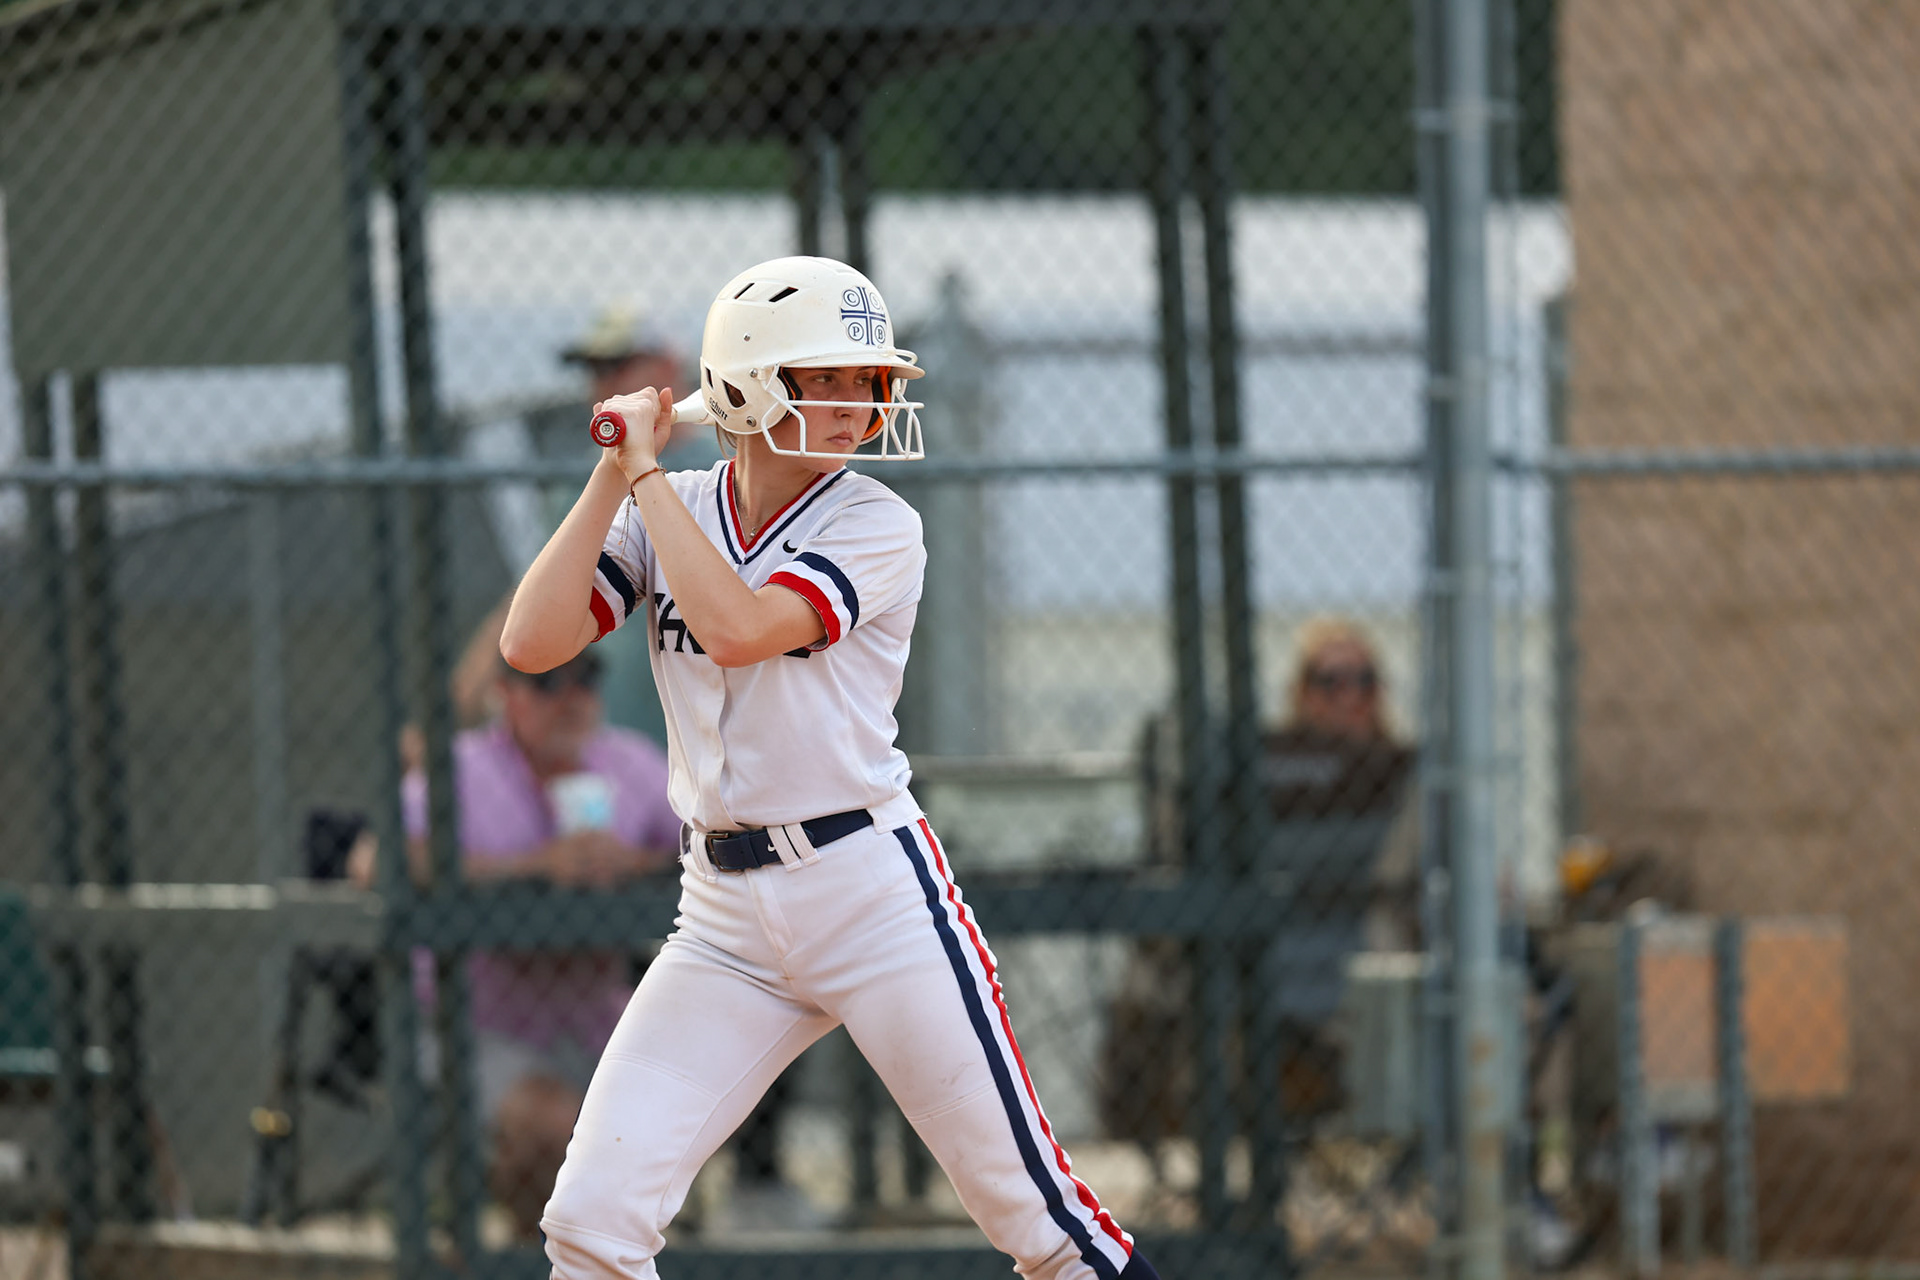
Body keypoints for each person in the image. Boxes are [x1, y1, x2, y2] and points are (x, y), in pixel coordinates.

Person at [502, 255, 1157, 1280]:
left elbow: (736, 627)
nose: (864, 402)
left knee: (1037, 1219)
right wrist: (611, 472)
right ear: (751, 382)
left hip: (867, 892)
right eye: (833, 377)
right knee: (590, 1221)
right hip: (721, 913)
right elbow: (532, 642)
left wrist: (642, 478)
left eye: (870, 379)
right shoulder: (667, 501)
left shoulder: (877, 521)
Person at [367, 640, 683, 1240]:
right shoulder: (458, 768)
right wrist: (536, 866)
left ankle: (625, 1248)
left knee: (689, 1100)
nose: (569, 699)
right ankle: (533, 1254)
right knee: (557, 1124)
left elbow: (705, 842)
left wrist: (635, 864)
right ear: (505, 695)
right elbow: (377, 860)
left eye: (584, 679)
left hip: (600, 1020)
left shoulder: (629, 762)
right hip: (477, 1027)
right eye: (547, 683)